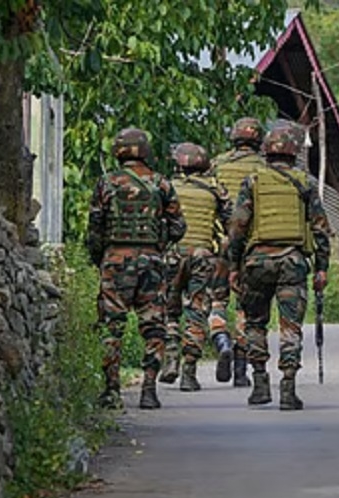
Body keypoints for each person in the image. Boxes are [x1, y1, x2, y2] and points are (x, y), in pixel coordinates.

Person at [226, 124, 331, 411]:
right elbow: (321, 229)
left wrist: (233, 266)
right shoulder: (305, 182)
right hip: (292, 263)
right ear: (293, 153)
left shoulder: (253, 181)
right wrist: (322, 268)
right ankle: (288, 388)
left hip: (256, 263)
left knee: (255, 323)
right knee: (290, 327)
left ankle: (260, 383)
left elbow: (237, 227)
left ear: (267, 152)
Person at [86, 127, 186, 410]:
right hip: (151, 262)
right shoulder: (161, 183)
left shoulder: (106, 183)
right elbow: (179, 226)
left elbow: (95, 227)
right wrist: (158, 243)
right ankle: (149, 390)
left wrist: (100, 258)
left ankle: (111, 392)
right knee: (154, 326)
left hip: (115, 260)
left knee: (111, 327)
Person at [162, 142, 234, 391]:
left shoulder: (166, 187)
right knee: (196, 311)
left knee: (168, 311)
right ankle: (189, 373)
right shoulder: (215, 190)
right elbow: (232, 224)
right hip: (204, 257)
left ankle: (170, 356)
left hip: (172, 255)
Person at [210, 117, 268, 387]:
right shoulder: (265, 169)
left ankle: (221, 341)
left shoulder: (217, 165)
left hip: (220, 245)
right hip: (251, 247)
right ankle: (242, 370)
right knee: (247, 308)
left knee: (217, 301)